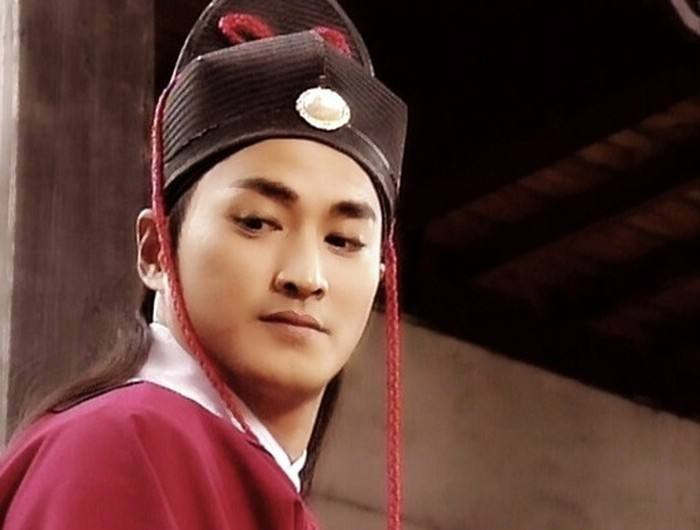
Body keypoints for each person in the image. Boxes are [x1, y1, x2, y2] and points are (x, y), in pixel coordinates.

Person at [0, 0, 407, 528]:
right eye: (257, 222)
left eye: (343, 240)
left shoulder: (260, 486)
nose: (306, 277)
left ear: (380, 278)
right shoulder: (115, 450)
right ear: (156, 249)